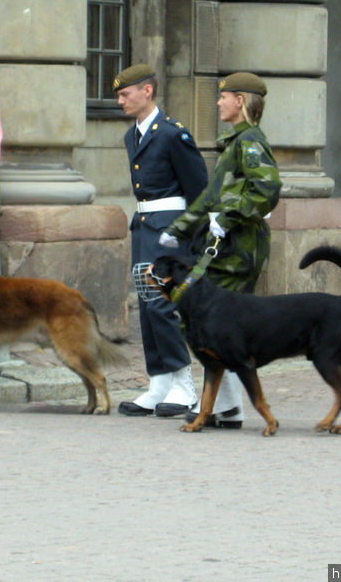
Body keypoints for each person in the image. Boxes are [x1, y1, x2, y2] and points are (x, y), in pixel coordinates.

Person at [161, 72, 282, 428]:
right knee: (216, 327)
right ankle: (226, 407)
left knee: (217, 327)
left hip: (238, 250)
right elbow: (210, 197)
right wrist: (178, 229)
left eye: (224, 96)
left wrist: (228, 218)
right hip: (227, 247)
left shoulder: (250, 142)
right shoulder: (235, 142)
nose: (218, 102)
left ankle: (226, 408)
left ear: (240, 101)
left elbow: (268, 189)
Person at [113, 64, 208, 418]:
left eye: (126, 94)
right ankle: (159, 382)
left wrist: (190, 237)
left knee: (164, 304)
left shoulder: (172, 134)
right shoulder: (131, 136)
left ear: (147, 91)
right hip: (145, 226)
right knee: (147, 305)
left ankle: (184, 385)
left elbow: (198, 189)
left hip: (170, 229)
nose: (120, 101)